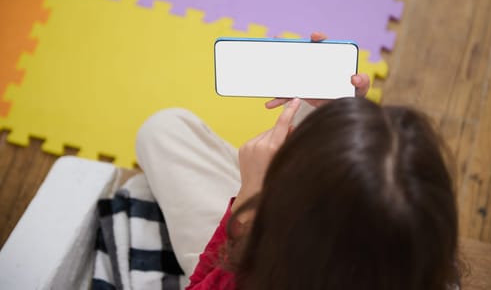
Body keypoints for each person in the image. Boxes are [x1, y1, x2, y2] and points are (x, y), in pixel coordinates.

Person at [135, 33, 460, 289]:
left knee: (162, 130)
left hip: (245, 253)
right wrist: (343, 114)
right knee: (312, 113)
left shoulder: (265, 273)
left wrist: (246, 206)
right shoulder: (422, 263)